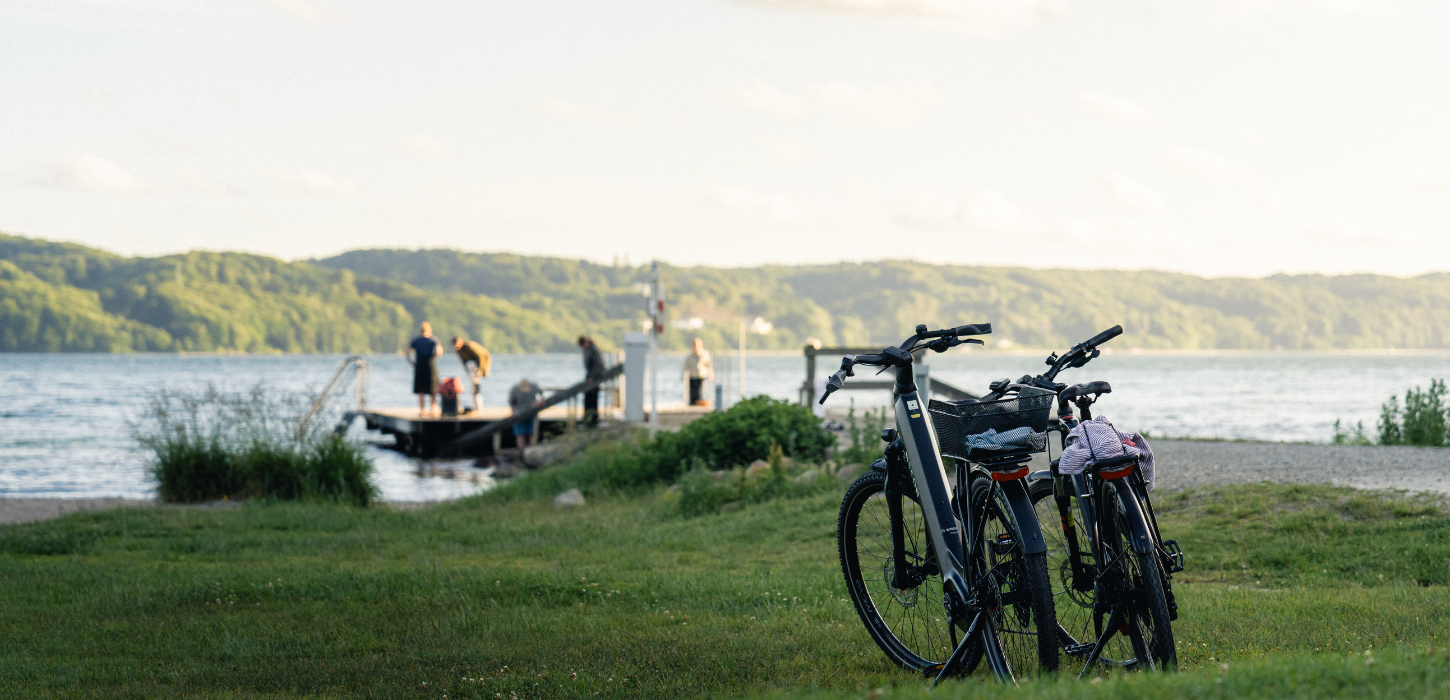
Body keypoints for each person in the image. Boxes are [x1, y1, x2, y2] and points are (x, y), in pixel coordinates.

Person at [407, 322, 442, 416]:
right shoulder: (433, 339)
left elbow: (407, 350)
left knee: (421, 388)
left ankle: (422, 410)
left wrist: (410, 361)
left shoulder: (416, 340)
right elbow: (439, 351)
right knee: (432, 387)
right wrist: (434, 357)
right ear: (429, 329)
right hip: (430, 363)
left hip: (419, 363)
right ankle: (433, 408)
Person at [451, 337, 492, 412]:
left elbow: (481, 357)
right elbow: (463, 361)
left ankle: (478, 406)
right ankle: (476, 406)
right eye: (454, 346)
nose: (456, 348)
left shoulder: (469, 346)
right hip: (472, 367)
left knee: (475, 385)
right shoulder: (459, 350)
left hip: (482, 361)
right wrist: (467, 371)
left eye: (456, 345)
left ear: (460, 342)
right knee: (473, 385)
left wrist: (480, 370)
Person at [508, 378, 545, 447]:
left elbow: (511, 403)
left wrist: (512, 413)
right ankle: (530, 449)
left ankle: (522, 450)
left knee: (521, 434)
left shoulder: (515, 389)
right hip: (529, 412)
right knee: (529, 433)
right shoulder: (534, 386)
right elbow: (542, 394)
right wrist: (540, 402)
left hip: (522, 413)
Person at [578, 335, 605, 428]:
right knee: (588, 397)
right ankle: (588, 418)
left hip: (595, 378)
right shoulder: (588, 349)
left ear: (586, 342)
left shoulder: (593, 350)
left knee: (592, 398)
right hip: (590, 376)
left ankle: (593, 419)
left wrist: (592, 377)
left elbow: (597, 365)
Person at [683, 337, 713, 407]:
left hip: (701, 376)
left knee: (701, 392)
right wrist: (682, 376)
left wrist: (710, 374)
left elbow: (709, 365)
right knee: (693, 393)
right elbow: (685, 366)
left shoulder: (704, 355)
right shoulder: (689, 356)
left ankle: (700, 405)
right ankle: (692, 404)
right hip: (693, 376)